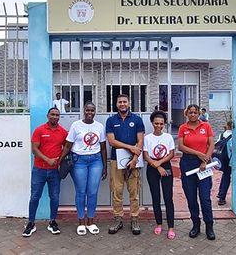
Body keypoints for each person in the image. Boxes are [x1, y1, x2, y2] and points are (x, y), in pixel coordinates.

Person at [60, 102, 108, 235]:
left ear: (95, 111)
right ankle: (81, 221)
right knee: (81, 192)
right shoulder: (76, 125)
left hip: (96, 160)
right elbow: (68, 146)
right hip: (79, 161)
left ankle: (91, 221)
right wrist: (59, 160)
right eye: (87, 110)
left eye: (92, 110)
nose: (90, 113)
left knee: (92, 192)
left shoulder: (99, 126)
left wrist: (104, 167)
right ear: (83, 110)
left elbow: (103, 148)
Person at [22, 107, 67, 237]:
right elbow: (34, 150)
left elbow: (67, 146)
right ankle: (31, 223)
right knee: (35, 196)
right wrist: (48, 160)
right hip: (39, 170)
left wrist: (60, 159)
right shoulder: (39, 130)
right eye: (52, 114)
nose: (54, 117)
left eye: (57, 115)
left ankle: (52, 222)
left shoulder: (63, 132)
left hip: (54, 172)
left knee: (54, 197)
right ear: (47, 115)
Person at [106, 94, 145, 235]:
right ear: (116, 104)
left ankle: (134, 219)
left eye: (125, 102)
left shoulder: (137, 119)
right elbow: (111, 141)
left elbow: (140, 141)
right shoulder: (111, 120)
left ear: (129, 103)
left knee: (134, 191)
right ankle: (118, 219)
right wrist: (130, 147)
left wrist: (135, 157)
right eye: (120, 102)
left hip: (134, 160)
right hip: (116, 160)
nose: (122, 104)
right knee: (117, 191)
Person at [178, 104, 216, 240]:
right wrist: (198, 153)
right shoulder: (183, 128)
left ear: (199, 113)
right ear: (186, 114)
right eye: (190, 112)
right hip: (188, 164)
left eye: (195, 112)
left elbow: (211, 144)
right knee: (191, 197)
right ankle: (196, 224)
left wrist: (204, 160)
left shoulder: (206, 126)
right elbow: (181, 146)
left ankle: (209, 226)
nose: (193, 114)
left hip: (204, 165)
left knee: (205, 198)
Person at [143, 111, 176, 239]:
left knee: (168, 198)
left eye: (161, 123)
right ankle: (159, 224)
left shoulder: (168, 137)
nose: (158, 126)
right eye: (156, 123)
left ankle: (171, 227)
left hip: (165, 167)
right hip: (152, 168)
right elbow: (146, 155)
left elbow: (171, 154)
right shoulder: (147, 138)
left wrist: (160, 164)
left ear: (164, 124)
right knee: (155, 197)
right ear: (152, 123)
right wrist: (157, 166)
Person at [216, 121, 233, 206]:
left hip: (221, 159)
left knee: (225, 175)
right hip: (229, 160)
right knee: (227, 177)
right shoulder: (233, 136)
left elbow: (217, 145)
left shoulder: (221, 135)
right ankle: (222, 197)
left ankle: (220, 194)